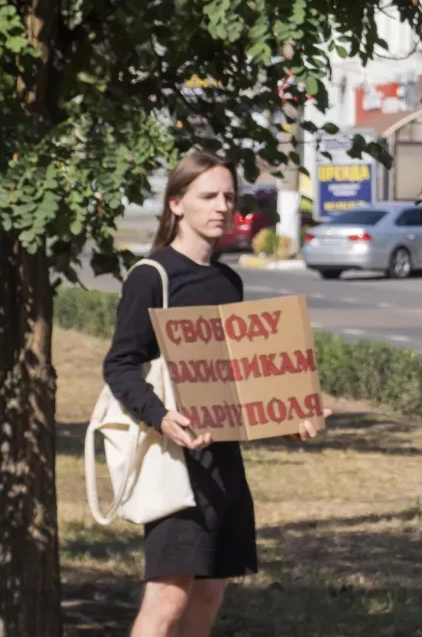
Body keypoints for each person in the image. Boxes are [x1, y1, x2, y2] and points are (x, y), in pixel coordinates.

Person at [104, 151, 330, 637]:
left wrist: (288, 418)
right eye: (208, 196)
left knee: (208, 594)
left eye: (229, 196)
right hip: (175, 460)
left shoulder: (228, 280)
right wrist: (161, 417)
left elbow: (237, 379)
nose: (222, 206)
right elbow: (119, 365)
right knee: (167, 598)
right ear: (176, 204)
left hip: (222, 460)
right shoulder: (152, 276)